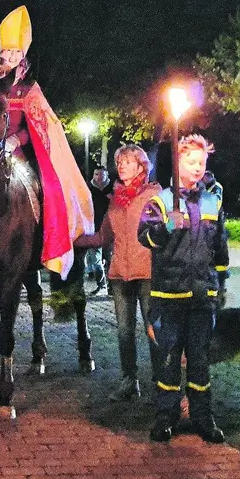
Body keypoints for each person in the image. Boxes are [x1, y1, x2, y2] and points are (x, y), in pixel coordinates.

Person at [0, 7, 93, 277]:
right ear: (0, 53)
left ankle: (41, 241)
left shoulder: (29, 88)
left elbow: (40, 125)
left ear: (23, 56)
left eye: (17, 53)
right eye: (8, 51)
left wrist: (16, 139)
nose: (12, 57)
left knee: (44, 188)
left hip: (19, 151)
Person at [137, 135, 228, 444]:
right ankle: (166, 417)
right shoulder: (160, 201)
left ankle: (204, 418)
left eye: (202, 162)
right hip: (168, 297)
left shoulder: (212, 202)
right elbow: (145, 238)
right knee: (169, 361)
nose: (197, 168)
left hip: (202, 297)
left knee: (200, 362)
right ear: (178, 163)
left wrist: (221, 285)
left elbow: (221, 248)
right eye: (191, 162)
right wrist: (167, 227)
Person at [73, 144, 161, 401]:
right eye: (120, 162)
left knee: (152, 329)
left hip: (147, 273)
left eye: (128, 162)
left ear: (141, 166)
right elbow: (103, 236)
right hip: (120, 274)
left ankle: (161, 382)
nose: (121, 166)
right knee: (124, 331)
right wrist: (73, 240)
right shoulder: (115, 201)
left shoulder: (154, 196)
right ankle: (129, 381)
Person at [86, 166, 114, 293]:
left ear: (106, 175)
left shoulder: (113, 188)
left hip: (111, 228)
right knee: (96, 260)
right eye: (96, 174)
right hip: (94, 228)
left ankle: (111, 286)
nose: (99, 177)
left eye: (101, 175)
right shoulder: (88, 189)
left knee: (110, 258)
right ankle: (101, 283)